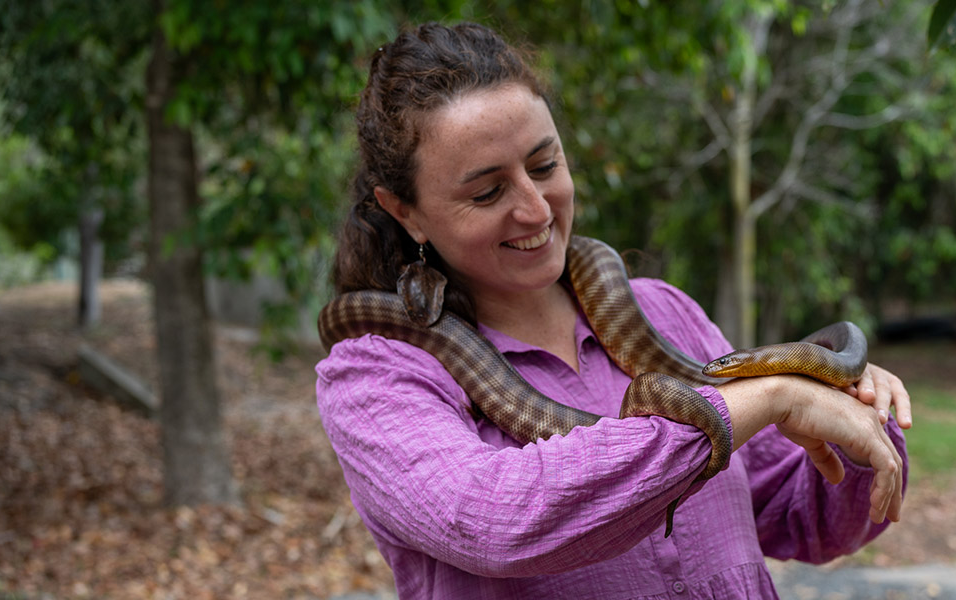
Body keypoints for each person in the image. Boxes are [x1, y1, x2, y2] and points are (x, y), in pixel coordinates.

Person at [316, 22, 912, 600]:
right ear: (406, 211)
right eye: (487, 192)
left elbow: (795, 515)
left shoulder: (663, 313)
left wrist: (857, 427)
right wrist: (766, 398)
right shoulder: (380, 374)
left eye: (545, 166)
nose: (535, 210)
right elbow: (492, 520)